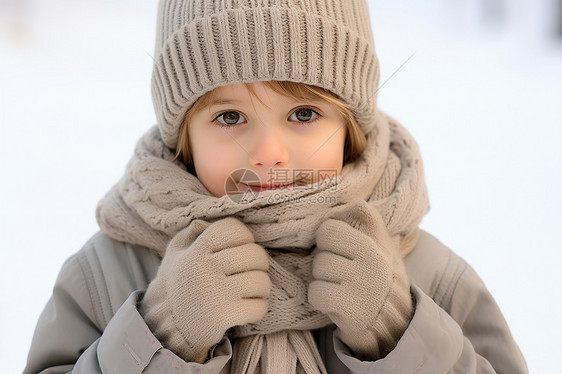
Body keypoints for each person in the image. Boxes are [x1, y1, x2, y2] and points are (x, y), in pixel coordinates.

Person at [24, 0, 528, 373]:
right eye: (229, 116)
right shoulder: (108, 276)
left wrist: (400, 334)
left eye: (304, 113)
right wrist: (161, 336)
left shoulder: (427, 274)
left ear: (350, 124)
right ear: (184, 139)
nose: (270, 152)